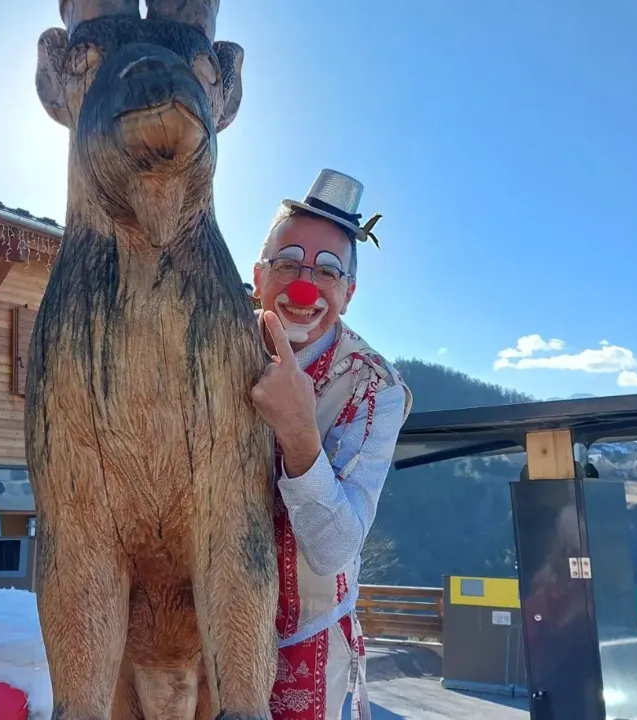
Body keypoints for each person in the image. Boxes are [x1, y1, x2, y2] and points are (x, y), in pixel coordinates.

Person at [249, 169, 413, 720]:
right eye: (288, 263)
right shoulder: (211, 343)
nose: (305, 286)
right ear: (258, 276)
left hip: (304, 642)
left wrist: (299, 433)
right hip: (196, 627)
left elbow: (334, 548)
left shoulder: (375, 388)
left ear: (348, 292)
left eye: (327, 270)